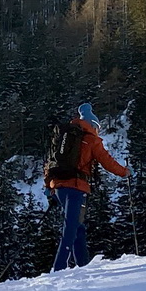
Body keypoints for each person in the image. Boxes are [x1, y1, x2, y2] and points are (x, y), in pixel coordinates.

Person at [45, 102, 129, 271]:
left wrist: (49, 185)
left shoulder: (64, 135)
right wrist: (124, 172)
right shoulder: (90, 139)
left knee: (77, 226)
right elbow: (107, 161)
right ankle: (58, 268)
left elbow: (49, 161)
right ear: (93, 125)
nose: (98, 131)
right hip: (77, 187)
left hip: (59, 187)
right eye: (97, 127)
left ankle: (83, 265)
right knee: (70, 227)